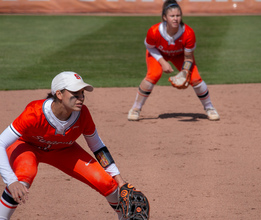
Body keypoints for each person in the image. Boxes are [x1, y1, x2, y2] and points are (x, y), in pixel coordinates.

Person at [0, 71, 126, 219]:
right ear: (59, 94)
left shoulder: (83, 114)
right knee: (24, 176)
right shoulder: (34, 113)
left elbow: (98, 148)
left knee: (108, 185)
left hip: (63, 150)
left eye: (82, 93)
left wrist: (120, 181)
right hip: (27, 146)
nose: (81, 98)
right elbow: (1, 142)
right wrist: (11, 181)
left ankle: (124, 217)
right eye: (75, 93)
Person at [128, 0, 220, 121]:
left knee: (196, 79)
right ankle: (136, 108)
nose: (175, 19)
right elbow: (150, 47)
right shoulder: (154, 31)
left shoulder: (188, 33)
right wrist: (162, 62)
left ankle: (209, 108)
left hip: (179, 55)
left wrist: (185, 71)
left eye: (178, 15)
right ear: (165, 17)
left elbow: (188, 57)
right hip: (157, 53)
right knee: (153, 75)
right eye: (172, 16)